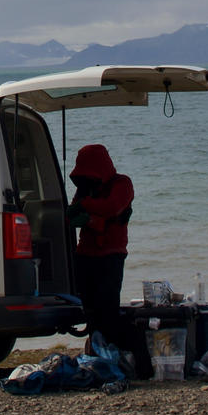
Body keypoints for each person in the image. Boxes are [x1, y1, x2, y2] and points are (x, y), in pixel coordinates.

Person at [69, 142, 140, 357]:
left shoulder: (122, 183)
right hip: (85, 255)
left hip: (111, 255)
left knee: (108, 310)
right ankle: (99, 352)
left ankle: (125, 353)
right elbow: (71, 214)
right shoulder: (85, 189)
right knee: (90, 311)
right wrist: (91, 217)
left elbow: (112, 207)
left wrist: (87, 210)